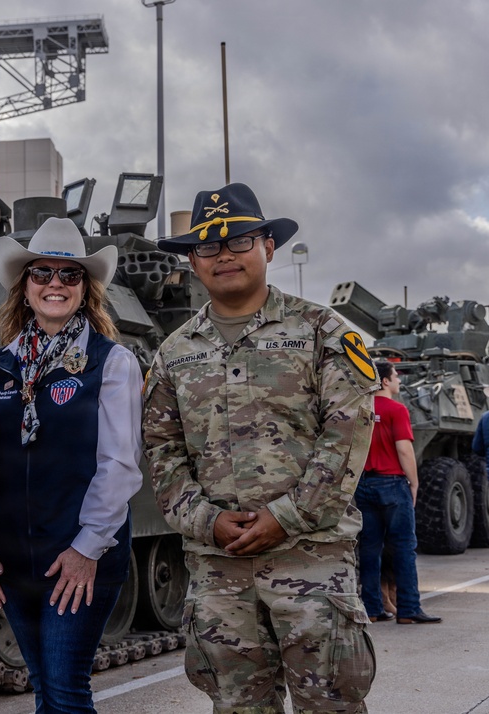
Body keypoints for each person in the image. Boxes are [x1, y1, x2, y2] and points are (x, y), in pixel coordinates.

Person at [142, 183, 378, 713]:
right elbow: (162, 452)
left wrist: (286, 516)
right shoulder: (174, 353)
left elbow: (346, 438)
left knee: (331, 704)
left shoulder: (324, 332)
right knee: (237, 707)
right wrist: (206, 521)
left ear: (268, 247)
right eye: (207, 246)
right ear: (194, 262)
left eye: (240, 239)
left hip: (311, 559)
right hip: (217, 565)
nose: (224, 254)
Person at [0, 217, 143, 713]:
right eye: (42, 273)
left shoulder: (111, 362)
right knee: (44, 688)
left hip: (79, 556)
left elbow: (119, 465)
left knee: (66, 691)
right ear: (24, 287)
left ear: (85, 289)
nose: (55, 284)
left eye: (69, 275)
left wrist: (86, 549)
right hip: (11, 557)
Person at [357, 361, 441, 624]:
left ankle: (372, 609)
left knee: (369, 549)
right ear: (384, 381)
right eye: (396, 377)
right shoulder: (397, 409)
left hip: (364, 485)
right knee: (404, 548)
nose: (399, 381)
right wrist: (413, 483)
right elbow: (404, 450)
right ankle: (408, 609)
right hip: (392, 484)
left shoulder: (360, 409)